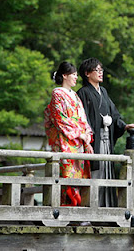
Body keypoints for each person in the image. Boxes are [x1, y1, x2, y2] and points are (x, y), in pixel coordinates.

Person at [77, 58, 134, 207]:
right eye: (97, 70)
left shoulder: (103, 92)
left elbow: (114, 114)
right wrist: (87, 140)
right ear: (87, 73)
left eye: (101, 70)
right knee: (95, 173)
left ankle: (108, 209)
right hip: (94, 141)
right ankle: (91, 210)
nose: (100, 73)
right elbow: (82, 118)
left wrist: (124, 126)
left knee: (108, 173)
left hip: (106, 139)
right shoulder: (83, 93)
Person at [44, 61, 93, 206]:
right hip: (65, 141)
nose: (76, 78)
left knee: (79, 177)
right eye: (73, 75)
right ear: (64, 76)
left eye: (77, 75)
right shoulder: (57, 94)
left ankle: (76, 212)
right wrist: (79, 133)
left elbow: (83, 119)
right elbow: (60, 118)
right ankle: (63, 210)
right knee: (65, 176)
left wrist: (86, 139)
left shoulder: (75, 96)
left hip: (78, 143)